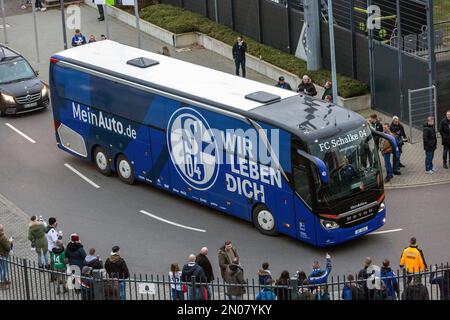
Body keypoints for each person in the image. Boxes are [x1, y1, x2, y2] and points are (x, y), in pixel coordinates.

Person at [0, 224, 12, 289]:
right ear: (2, 230)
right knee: (4, 269)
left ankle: (4, 280)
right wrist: (10, 242)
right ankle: (1, 282)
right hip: (3, 254)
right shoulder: (2, 237)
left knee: (1, 268)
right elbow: (7, 248)